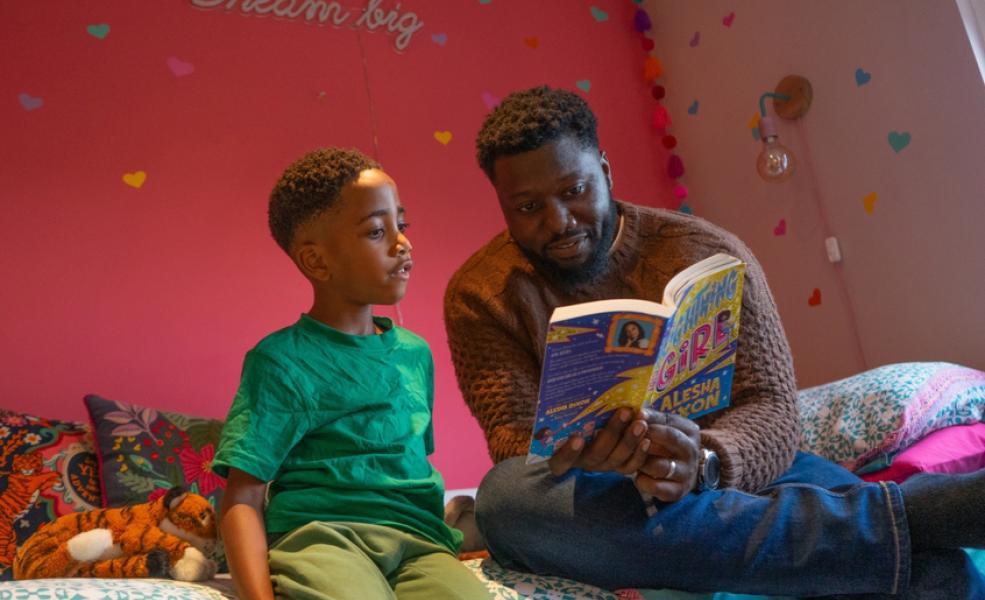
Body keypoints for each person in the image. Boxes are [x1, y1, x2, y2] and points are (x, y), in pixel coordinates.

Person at [444, 86, 985, 598]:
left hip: (732, 471)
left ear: (605, 171)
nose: (558, 221)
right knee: (505, 500)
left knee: (942, 581)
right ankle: (913, 515)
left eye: (574, 190)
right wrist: (595, 456)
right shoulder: (480, 295)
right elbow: (514, 441)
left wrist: (705, 461)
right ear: (502, 204)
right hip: (597, 492)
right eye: (528, 207)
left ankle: (865, 531)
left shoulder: (708, 251)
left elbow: (774, 409)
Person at [213, 148, 490, 600]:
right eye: (377, 231)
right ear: (318, 262)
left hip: (421, 542)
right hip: (326, 537)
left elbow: (409, 465)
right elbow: (242, 498)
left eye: (403, 225)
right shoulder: (281, 360)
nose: (402, 242)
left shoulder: (414, 354)